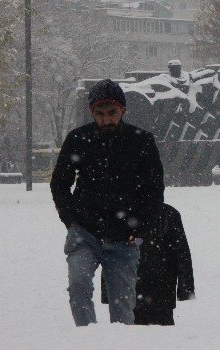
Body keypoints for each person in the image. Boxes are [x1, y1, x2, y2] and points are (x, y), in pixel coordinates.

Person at [51, 79, 165, 326]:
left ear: (123, 110)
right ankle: (87, 340)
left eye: (112, 113)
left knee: (122, 308)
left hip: (125, 238)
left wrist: (139, 230)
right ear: (92, 113)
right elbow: (60, 183)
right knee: (78, 287)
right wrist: (71, 221)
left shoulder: (141, 142)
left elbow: (154, 192)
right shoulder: (78, 139)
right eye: (99, 114)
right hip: (84, 232)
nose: (106, 119)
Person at [102, 203, 195, 326]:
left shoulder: (168, 215)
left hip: (154, 294)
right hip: (143, 292)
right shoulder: (167, 214)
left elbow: (182, 253)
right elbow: (112, 254)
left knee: (138, 338)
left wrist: (186, 289)